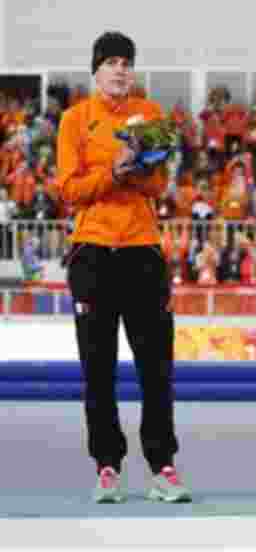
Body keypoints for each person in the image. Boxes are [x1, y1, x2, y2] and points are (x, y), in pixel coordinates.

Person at [56, 32, 191, 504]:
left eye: (126, 63)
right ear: (95, 71)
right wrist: (113, 171)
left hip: (142, 249)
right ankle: (108, 467)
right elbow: (69, 190)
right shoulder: (76, 120)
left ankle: (163, 466)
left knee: (156, 366)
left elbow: (157, 187)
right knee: (98, 368)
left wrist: (141, 166)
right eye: (111, 62)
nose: (120, 70)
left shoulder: (150, 114)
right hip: (92, 251)